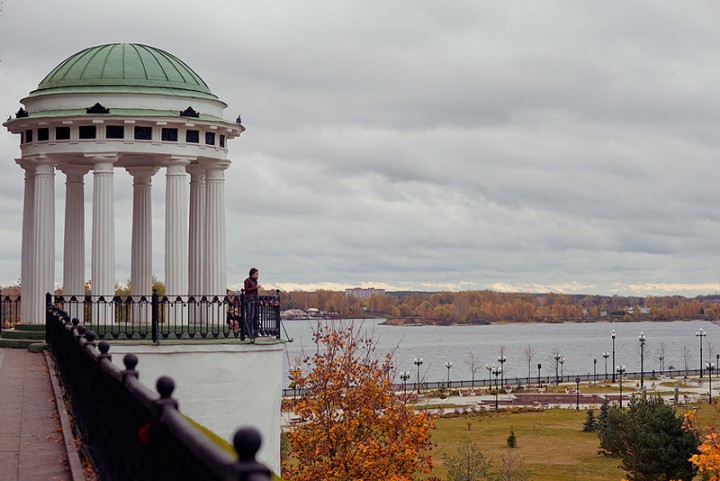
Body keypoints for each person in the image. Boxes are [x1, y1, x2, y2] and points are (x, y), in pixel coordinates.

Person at [243, 268, 261, 340]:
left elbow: (255, 293)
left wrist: (257, 300)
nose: (258, 275)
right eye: (257, 274)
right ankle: (248, 332)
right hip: (248, 300)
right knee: (249, 316)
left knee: (252, 317)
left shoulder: (255, 281)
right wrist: (255, 287)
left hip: (253, 300)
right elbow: (246, 290)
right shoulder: (247, 281)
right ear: (252, 274)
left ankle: (252, 333)